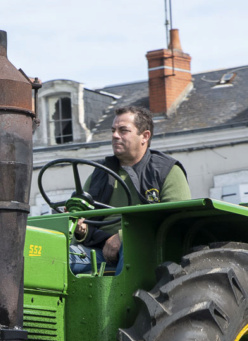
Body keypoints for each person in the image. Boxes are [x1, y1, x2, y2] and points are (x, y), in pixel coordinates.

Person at [71, 104, 191, 272]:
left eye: (123, 130)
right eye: (113, 130)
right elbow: (83, 217)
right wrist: (81, 231)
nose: (114, 135)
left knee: (129, 252)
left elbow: (176, 221)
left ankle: (122, 298)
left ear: (145, 136)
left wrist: (122, 237)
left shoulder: (166, 171)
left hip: (146, 251)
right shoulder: (99, 174)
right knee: (56, 258)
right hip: (97, 250)